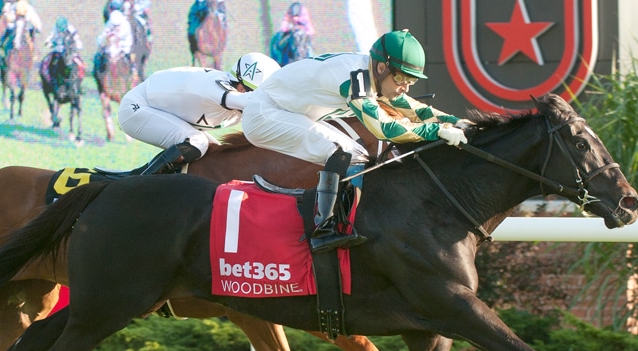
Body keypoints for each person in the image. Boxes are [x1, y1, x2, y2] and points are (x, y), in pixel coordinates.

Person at [241, 29, 468, 253]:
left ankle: (340, 220)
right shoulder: (355, 77)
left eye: (411, 80)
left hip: (285, 111)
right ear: (382, 68)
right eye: (401, 78)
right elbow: (385, 129)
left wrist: (458, 122)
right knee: (343, 151)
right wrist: (437, 131)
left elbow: (414, 109)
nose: (405, 87)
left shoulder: (372, 73)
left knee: (356, 153)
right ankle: (323, 229)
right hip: (264, 113)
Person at [119, 52, 281, 175]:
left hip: (155, 108)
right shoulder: (216, 88)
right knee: (197, 143)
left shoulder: (238, 96)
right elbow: (249, 102)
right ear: (241, 86)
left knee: (214, 155)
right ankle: (140, 185)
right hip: (136, 108)